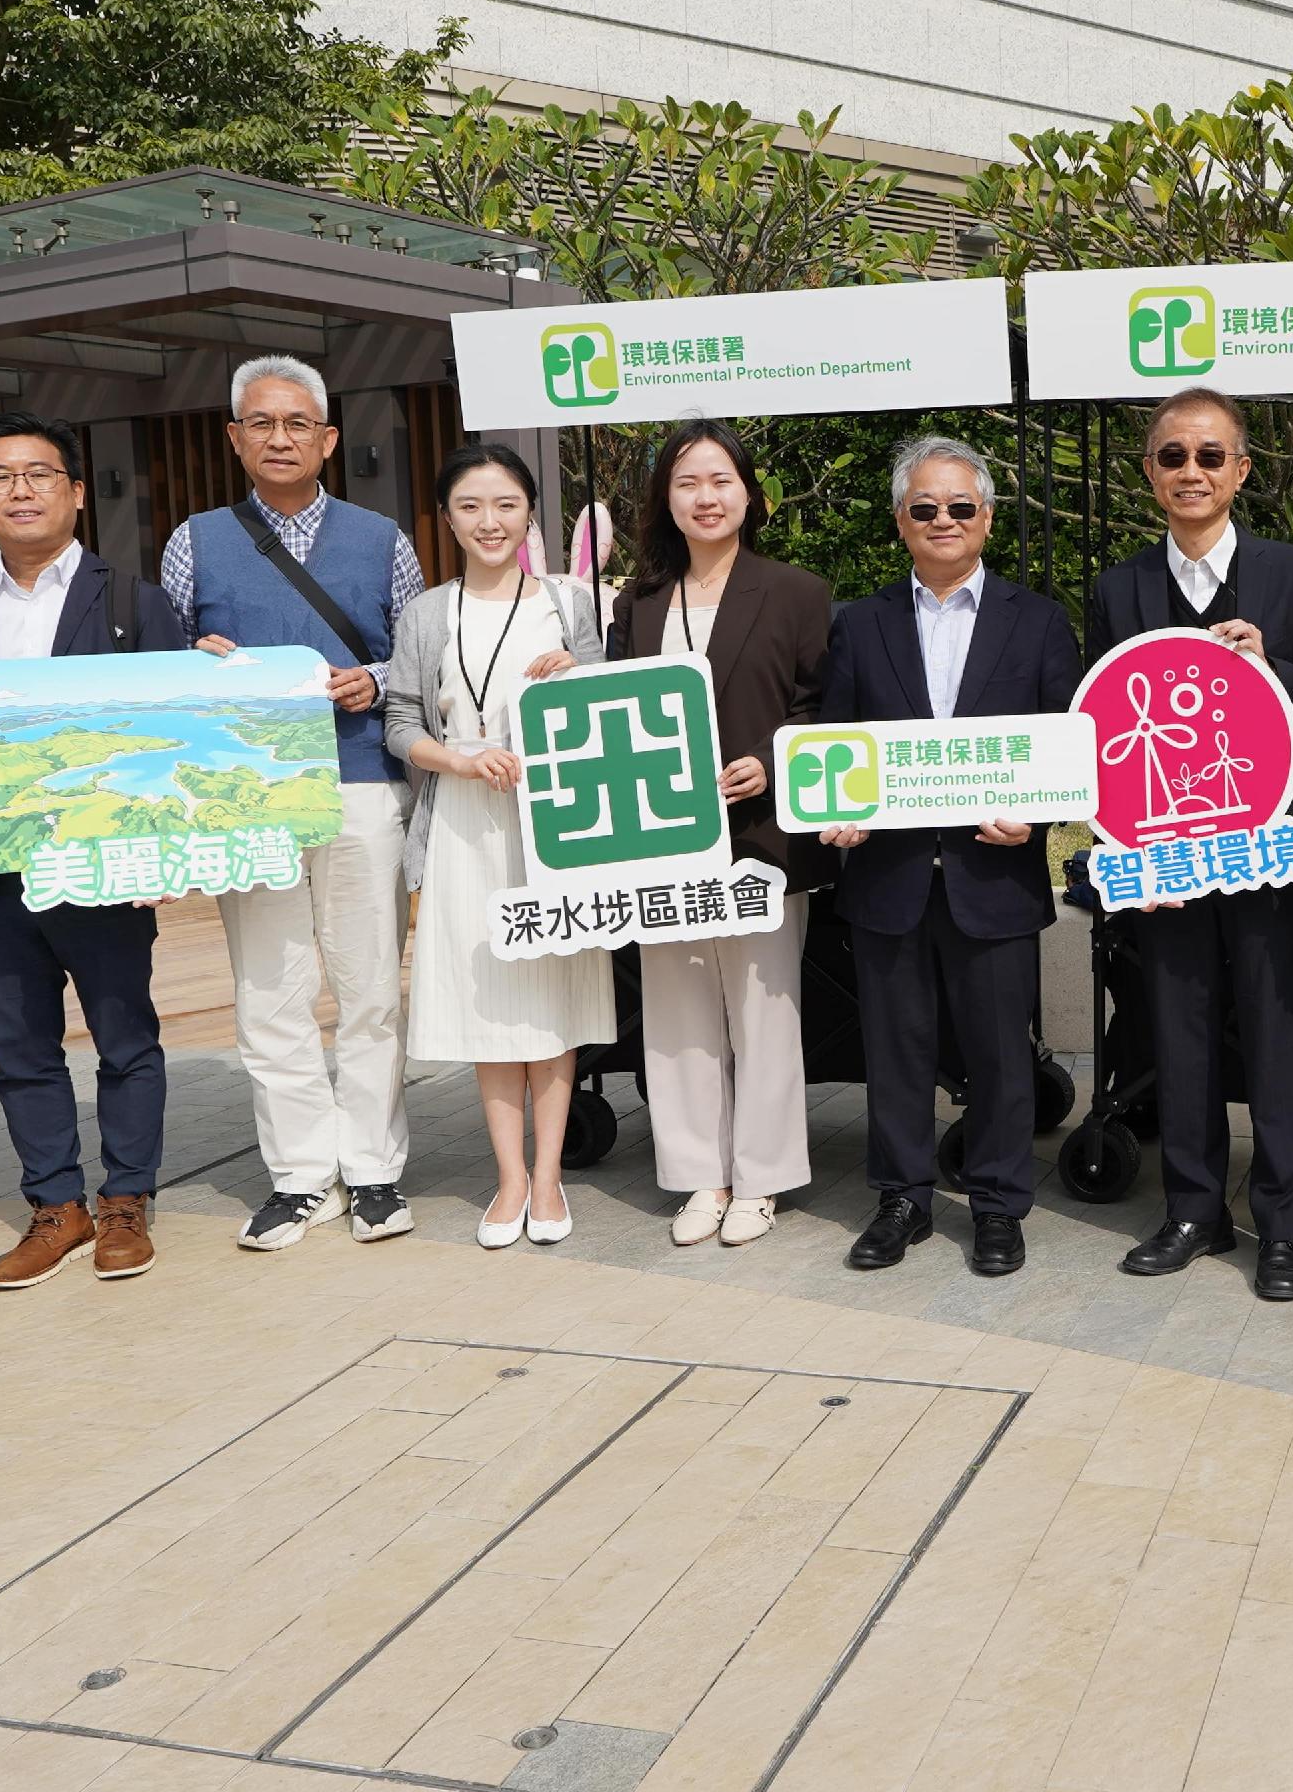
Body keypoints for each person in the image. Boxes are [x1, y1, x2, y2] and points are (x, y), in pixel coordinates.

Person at [0, 416, 187, 1293]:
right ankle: (55, 1205)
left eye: (39, 473)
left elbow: (174, 726)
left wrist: (164, 853)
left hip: (103, 867)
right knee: (20, 1050)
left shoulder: (135, 601)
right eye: (0, 476)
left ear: (75, 491)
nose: (21, 489)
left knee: (125, 1039)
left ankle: (127, 1199)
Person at [161, 354, 429, 1252]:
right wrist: (195, 662)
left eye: (297, 423)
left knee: (369, 988)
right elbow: (166, 664)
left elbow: (416, 655)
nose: (280, 438)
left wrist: (374, 678)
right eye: (262, 423)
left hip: (361, 782)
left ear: (328, 438)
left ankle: (376, 1168)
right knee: (270, 992)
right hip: (250, 797)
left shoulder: (382, 538)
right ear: (234, 438)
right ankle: (300, 1175)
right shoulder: (196, 540)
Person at [818, 437, 1083, 1277]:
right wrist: (839, 811)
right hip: (888, 879)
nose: (944, 520)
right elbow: (834, 740)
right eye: (924, 507)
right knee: (895, 1053)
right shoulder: (860, 623)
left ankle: (1000, 1205)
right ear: (901, 521)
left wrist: (1036, 820)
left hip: (993, 876)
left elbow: (1066, 747)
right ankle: (901, 1199)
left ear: (988, 519)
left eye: (960, 506)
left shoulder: (1037, 620)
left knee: (1001, 1054)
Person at [1089, 386, 1293, 1303]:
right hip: (1165, 854)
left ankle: (1283, 1225)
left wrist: (1273, 666)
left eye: (1211, 455)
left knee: (1276, 1037)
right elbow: (1098, 728)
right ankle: (1192, 1210)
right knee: (1178, 1032)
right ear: (1150, 472)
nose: (1192, 471)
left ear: (1242, 469)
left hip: (1266, 848)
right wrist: (1119, 845)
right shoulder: (1118, 588)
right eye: (1173, 456)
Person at [608, 421, 833, 1250]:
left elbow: (822, 704)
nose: (705, 497)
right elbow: (614, 711)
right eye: (687, 482)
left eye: (720, 480)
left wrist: (770, 762)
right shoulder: (637, 602)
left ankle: (762, 1178)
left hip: (760, 838)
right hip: (663, 843)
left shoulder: (797, 592)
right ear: (665, 500)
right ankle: (701, 1174)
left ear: (749, 493)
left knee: (764, 1011)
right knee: (676, 1012)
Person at [385, 443, 612, 1248]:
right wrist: (458, 760)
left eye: (507, 504)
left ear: (530, 515)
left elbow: (612, 702)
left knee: (552, 997)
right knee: (488, 1000)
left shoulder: (569, 601)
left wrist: (580, 671)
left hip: (554, 823)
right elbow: (400, 720)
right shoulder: (426, 613)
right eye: (471, 506)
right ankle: (509, 1176)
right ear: (447, 519)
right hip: (462, 822)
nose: (491, 521)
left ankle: (548, 1176)